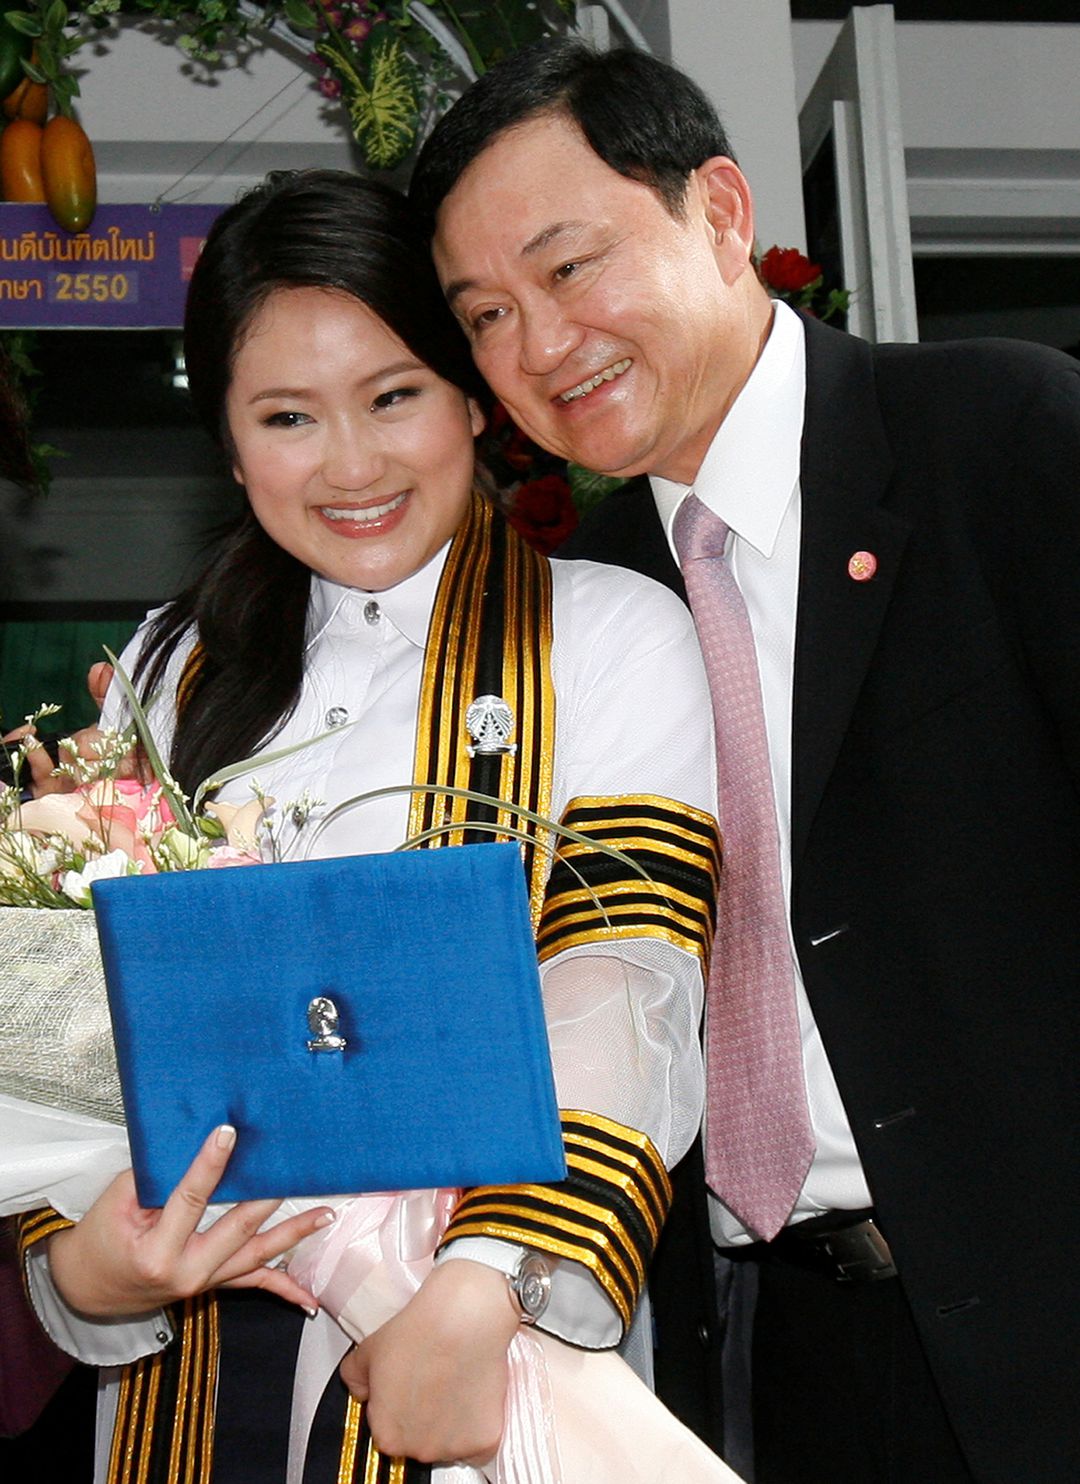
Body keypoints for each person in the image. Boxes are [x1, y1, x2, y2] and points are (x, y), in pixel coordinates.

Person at [407, 39, 1080, 1484]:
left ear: (718, 210)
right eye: (486, 317)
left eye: (570, 268)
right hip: (774, 1361)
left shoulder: (1003, 439)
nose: (539, 346)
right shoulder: (569, 616)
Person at [11, 169, 723, 1482]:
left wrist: (481, 1283)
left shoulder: (611, 632)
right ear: (228, 444)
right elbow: (94, 1024)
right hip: (204, 1336)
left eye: (393, 396)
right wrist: (86, 1259)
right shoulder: (178, 664)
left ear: (471, 396)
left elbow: (625, 978)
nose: (350, 465)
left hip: (487, 1337)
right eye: (288, 416)